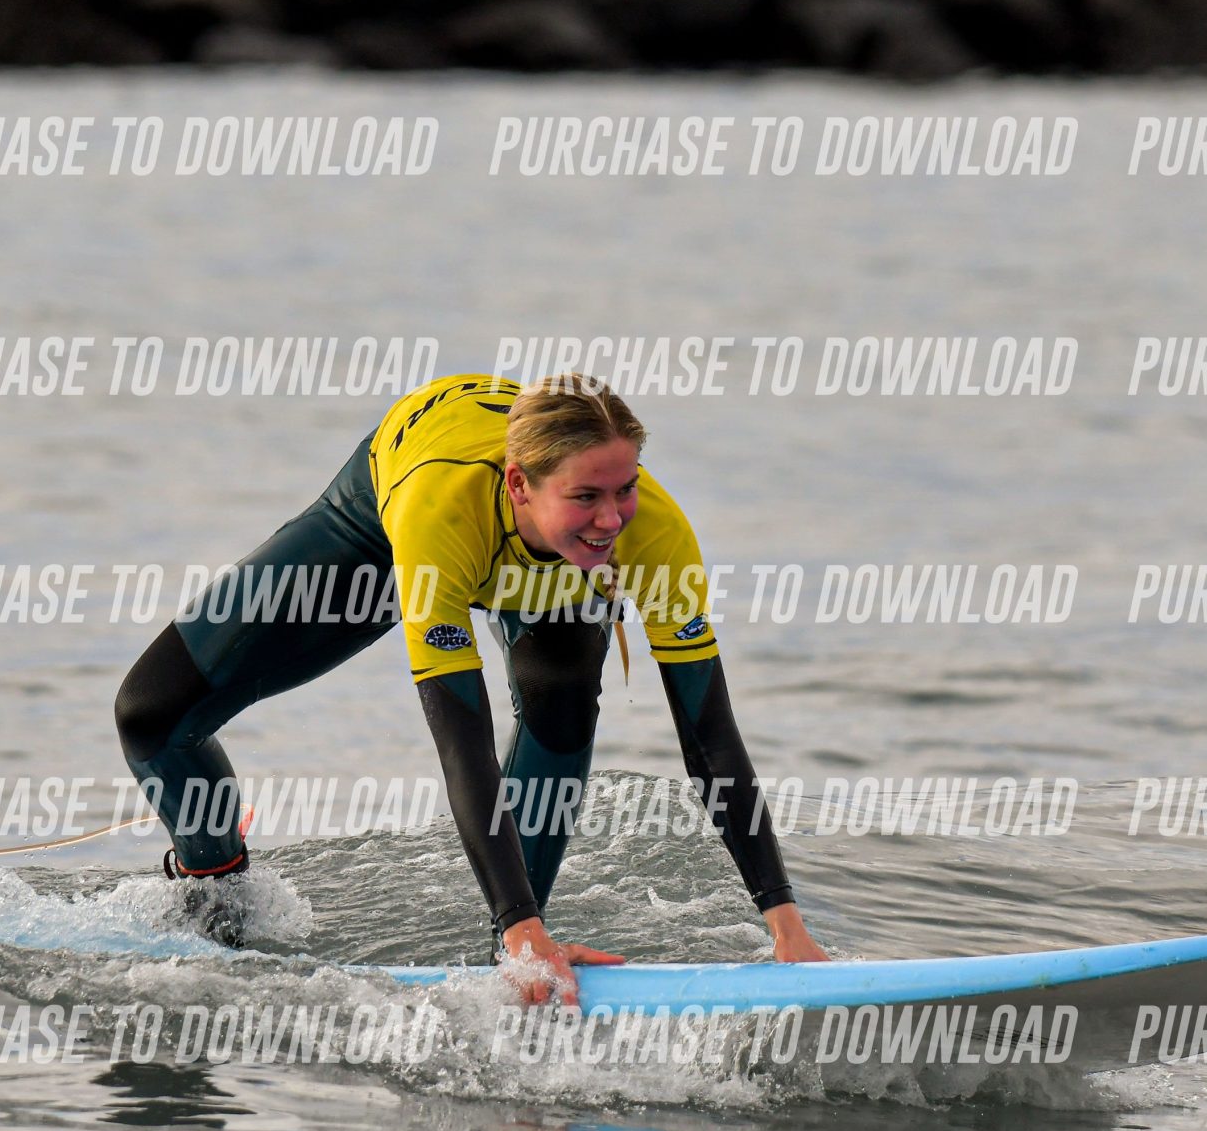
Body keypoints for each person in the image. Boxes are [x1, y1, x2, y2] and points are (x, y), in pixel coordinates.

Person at [114, 373, 826, 1001]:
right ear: (520, 484)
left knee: (562, 701)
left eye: (625, 489)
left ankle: (518, 952)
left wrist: (784, 923)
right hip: (390, 513)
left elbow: (710, 738)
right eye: (587, 496)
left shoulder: (650, 533)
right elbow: (464, 744)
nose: (612, 518)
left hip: (552, 563)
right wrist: (520, 924)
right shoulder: (439, 514)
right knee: (151, 714)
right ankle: (218, 892)